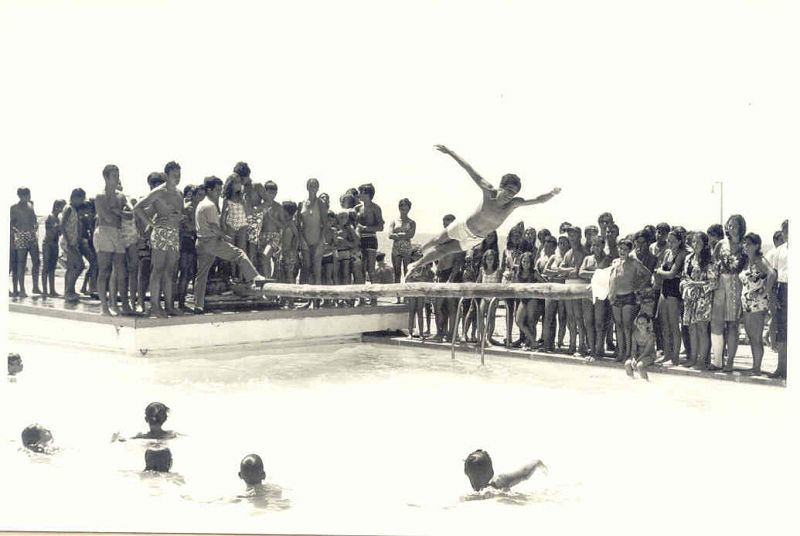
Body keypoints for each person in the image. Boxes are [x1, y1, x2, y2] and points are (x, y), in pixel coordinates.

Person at [407, 145, 561, 275]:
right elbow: (470, 170)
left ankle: (415, 265)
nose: (510, 195)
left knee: (443, 251)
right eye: (508, 191)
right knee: (437, 241)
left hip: (476, 238)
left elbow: (539, 200)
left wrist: (552, 193)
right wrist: (450, 152)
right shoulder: (489, 191)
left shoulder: (514, 204)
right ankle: (418, 252)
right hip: (463, 226)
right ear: (500, 187)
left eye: (513, 193)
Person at [193, 176, 266, 313]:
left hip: (201, 243)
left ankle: (198, 305)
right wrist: (224, 237)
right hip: (211, 242)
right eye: (216, 190)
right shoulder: (210, 205)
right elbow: (214, 227)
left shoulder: (201, 204)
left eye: (220, 189)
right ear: (209, 190)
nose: (219, 192)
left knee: (201, 275)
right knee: (239, 254)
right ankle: (255, 277)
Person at [135, 162, 185, 317]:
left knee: (170, 271)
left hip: (174, 232)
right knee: (157, 270)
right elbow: (138, 207)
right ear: (167, 175)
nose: (177, 178)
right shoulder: (159, 192)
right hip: (161, 232)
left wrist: (179, 217)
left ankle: (169, 306)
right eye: (174, 175)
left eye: (179, 174)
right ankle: (155, 306)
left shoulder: (179, 194)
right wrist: (151, 223)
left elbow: (179, 214)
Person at [710, 215, 747, 372]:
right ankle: (717, 360)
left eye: (735, 225)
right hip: (720, 285)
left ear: (741, 227)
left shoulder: (745, 245)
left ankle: (730, 361)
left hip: (736, 285)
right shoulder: (721, 244)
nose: (731, 228)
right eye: (729, 225)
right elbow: (713, 264)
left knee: (732, 325)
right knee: (716, 323)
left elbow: (747, 265)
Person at [94, 165, 132, 316]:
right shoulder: (100, 196)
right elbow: (107, 217)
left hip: (117, 232)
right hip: (104, 232)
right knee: (105, 269)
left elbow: (131, 214)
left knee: (121, 270)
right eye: (114, 176)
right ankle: (104, 306)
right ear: (106, 177)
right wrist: (119, 213)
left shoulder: (121, 196)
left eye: (118, 175)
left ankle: (123, 305)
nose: (117, 178)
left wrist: (117, 211)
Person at [609, 239, 652, 361]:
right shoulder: (615, 262)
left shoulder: (634, 262)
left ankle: (628, 353)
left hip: (629, 296)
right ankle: (621, 352)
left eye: (625, 249)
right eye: (620, 248)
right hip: (616, 297)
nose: (622, 251)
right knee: (618, 326)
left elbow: (648, 274)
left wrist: (639, 287)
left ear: (629, 250)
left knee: (627, 326)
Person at [680, 232, 718, 370]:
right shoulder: (688, 258)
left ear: (705, 244)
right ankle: (693, 357)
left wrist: (695, 284)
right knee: (691, 328)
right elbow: (684, 276)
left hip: (703, 299)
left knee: (702, 329)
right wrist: (685, 284)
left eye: (699, 242)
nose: (695, 245)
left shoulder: (710, 260)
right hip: (690, 298)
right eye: (694, 242)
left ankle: (702, 360)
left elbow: (713, 282)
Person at [740, 233, 776, 375]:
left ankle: (756, 368)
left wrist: (763, 292)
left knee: (756, 336)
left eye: (748, 243)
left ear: (756, 245)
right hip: (747, 303)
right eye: (744, 243)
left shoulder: (759, 260)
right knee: (751, 335)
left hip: (757, 303)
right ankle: (755, 366)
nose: (745, 246)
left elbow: (772, 274)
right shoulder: (747, 261)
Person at [655, 229, 688, 366]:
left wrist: (659, 272)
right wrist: (662, 272)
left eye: (673, 241)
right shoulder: (668, 252)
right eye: (669, 240)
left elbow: (672, 274)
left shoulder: (681, 254)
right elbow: (665, 272)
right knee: (664, 325)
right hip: (665, 289)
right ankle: (667, 354)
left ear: (680, 241)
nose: (670, 243)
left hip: (675, 291)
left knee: (674, 325)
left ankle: (675, 356)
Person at [579, 237, 612, 359]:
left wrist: (594, 274)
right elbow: (581, 273)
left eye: (598, 245)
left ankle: (599, 349)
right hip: (588, 293)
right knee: (588, 322)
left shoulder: (608, 259)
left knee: (600, 323)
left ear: (603, 245)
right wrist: (598, 273)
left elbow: (609, 274)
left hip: (601, 294)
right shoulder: (588, 259)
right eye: (593, 245)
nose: (595, 247)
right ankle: (592, 349)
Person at [463, 450, 547, 492]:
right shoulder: (499, 482)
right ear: (491, 472)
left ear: (466, 473)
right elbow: (524, 473)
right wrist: (536, 463)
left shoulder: (470, 498)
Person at [10, 187, 42, 297]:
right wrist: (15, 231)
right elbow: (10, 223)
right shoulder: (14, 208)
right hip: (20, 235)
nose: (29, 197)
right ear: (20, 196)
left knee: (36, 261)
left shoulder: (30, 206)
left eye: (29, 195)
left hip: (31, 235)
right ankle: (22, 289)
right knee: (21, 263)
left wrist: (35, 226)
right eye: (26, 195)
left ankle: (35, 287)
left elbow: (34, 220)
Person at [355, 183, 384, 304]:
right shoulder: (357, 208)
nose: (359, 194)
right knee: (360, 270)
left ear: (367, 194)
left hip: (371, 239)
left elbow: (380, 227)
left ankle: (374, 298)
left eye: (361, 192)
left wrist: (365, 228)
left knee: (371, 270)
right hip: (360, 240)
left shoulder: (375, 208)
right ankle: (361, 298)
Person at [177, 186, 204, 311]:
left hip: (195, 241)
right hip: (187, 241)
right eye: (199, 195)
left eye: (203, 195)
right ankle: (181, 302)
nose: (202, 197)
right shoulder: (188, 208)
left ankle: (194, 302)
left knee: (194, 273)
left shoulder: (200, 208)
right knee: (185, 272)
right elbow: (185, 226)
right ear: (193, 196)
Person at [769, 219, 788, 379]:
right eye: (785, 230)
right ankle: (781, 367)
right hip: (783, 289)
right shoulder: (779, 251)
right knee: (782, 331)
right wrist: (773, 294)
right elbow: (773, 274)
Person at [220, 173, 249, 281]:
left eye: (239, 182)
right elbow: (223, 216)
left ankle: (241, 276)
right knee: (232, 251)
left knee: (242, 251)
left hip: (242, 225)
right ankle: (233, 275)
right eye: (236, 182)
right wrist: (223, 229)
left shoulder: (242, 198)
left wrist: (243, 200)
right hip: (230, 225)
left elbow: (246, 212)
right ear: (230, 184)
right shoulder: (226, 200)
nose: (238, 185)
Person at [298, 178, 325, 287]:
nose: (312, 188)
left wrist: (321, 242)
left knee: (317, 270)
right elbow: (298, 224)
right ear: (307, 187)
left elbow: (325, 224)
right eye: (311, 185)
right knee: (306, 268)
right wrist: (302, 240)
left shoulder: (321, 203)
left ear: (318, 188)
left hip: (317, 240)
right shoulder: (301, 203)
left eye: (315, 185)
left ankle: (316, 302)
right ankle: (308, 301)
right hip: (305, 240)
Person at [61, 188, 87, 303]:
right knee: (80, 265)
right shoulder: (68, 208)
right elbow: (62, 225)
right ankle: (68, 291)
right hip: (69, 242)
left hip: (72, 242)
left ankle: (69, 291)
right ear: (75, 198)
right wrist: (68, 241)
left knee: (71, 268)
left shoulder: (74, 210)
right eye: (81, 199)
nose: (82, 201)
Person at [405, 247, 434, 338]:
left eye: (420, 256)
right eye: (417, 256)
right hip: (412, 291)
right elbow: (407, 279)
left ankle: (421, 333)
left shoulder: (424, 266)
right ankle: (410, 333)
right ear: (413, 257)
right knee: (411, 312)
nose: (419, 257)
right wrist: (417, 279)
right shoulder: (410, 265)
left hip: (420, 291)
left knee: (420, 312)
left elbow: (425, 278)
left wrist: (415, 278)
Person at [41, 199, 66, 297]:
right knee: (46, 267)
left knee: (52, 268)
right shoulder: (50, 217)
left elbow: (59, 233)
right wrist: (58, 228)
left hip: (54, 244)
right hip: (48, 244)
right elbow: (51, 232)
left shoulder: (57, 218)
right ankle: (45, 290)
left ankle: (52, 290)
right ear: (57, 207)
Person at [260, 180, 284, 278]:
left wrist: (272, 218)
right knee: (262, 261)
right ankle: (267, 283)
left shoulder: (278, 207)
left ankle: (268, 281)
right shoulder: (261, 206)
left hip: (274, 237)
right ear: (265, 192)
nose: (272, 195)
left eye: (274, 193)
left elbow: (283, 225)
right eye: (269, 192)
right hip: (261, 236)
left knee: (266, 256)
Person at [389, 198, 416, 285]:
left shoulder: (412, 222)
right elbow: (390, 235)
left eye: (405, 205)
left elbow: (411, 235)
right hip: (396, 248)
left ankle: (406, 296)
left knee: (407, 271)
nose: (403, 207)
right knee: (397, 272)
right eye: (401, 205)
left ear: (409, 208)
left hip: (406, 248)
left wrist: (397, 235)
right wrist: (403, 235)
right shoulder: (394, 221)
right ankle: (398, 297)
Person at [624, 312, 656, 381]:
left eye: (643, 323)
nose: (640, 325)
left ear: (648, 324)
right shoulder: (635, 334)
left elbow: (647, 352)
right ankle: (632, 381)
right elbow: (633, 349)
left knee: (639, 366)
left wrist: (637, 360)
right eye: (638, 323)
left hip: (649, 356)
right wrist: (633, 359)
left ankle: (645, 382)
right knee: (627, 364)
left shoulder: (651, 336)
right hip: (638, 355)